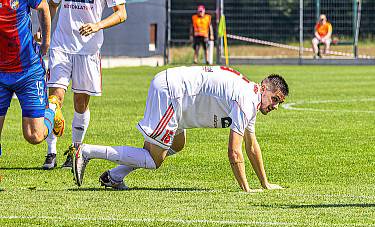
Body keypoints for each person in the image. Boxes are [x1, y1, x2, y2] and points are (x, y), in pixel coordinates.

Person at [72, 66, 289, 192]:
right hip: (172, 93)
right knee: (154, 160)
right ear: (263, 87)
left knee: (177, 144)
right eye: (274, 99)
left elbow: (252, 146)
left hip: (178, 97)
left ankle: (114, 177)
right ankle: (87, 151)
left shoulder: (251, 96)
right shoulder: (248, 99)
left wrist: (265, 183)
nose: (274, 105)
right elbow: (235, 152)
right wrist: (246, 190)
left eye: (278, 102)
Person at [43, 0, 127, 170]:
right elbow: (52, 5)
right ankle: (51, 152)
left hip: (88, 52)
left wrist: (98, 25)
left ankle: (75, 150)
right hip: (61, 47)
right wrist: (44, 32)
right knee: (54, 99)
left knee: (81, 104)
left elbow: (121, 13)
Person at [0, 0, 64, 157]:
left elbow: (44, 6)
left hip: (28, 71)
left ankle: (52, 109)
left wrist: (45, 41)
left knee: (34, 136)